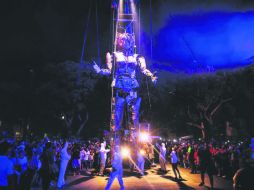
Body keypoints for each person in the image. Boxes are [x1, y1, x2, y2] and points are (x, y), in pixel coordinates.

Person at [93, 32, 157, 145]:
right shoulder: (114, 55)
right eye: (121, 40)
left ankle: (135, 142)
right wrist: (100, 71)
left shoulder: (138, 57)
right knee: (118, 116)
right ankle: (116, 143)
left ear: (131, 41)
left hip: (133, 87)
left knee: (134, 115)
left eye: (126, 40)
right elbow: (109, 71)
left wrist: (151, 76)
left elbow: (143, 70)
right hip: (120, 86)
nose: (123, 42)